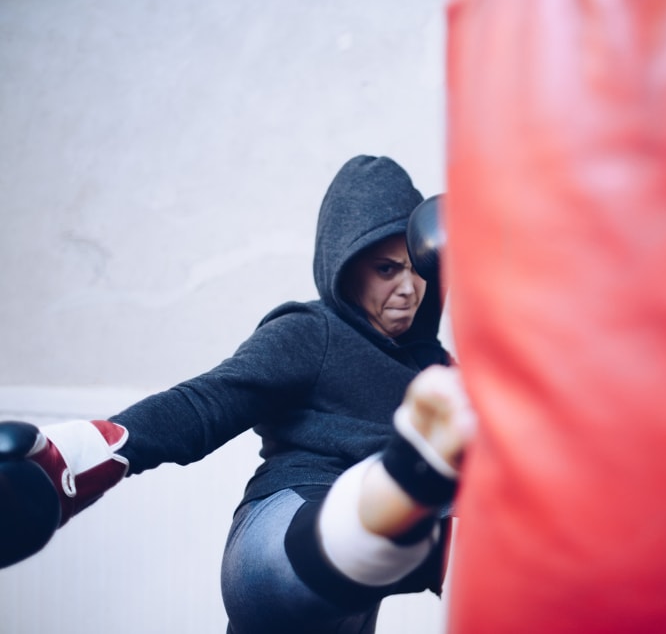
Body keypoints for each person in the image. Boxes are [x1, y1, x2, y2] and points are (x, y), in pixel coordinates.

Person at [0, 154, 473, 634]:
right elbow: (207, 401)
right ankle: (399, 486)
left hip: (361, 585)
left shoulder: (431, 369)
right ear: (346, 267)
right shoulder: (313, 332)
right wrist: (75, 456)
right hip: (280, 533)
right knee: (372, 522)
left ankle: (399, 494)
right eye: (386, 269)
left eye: (417, 270)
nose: (409, 289)